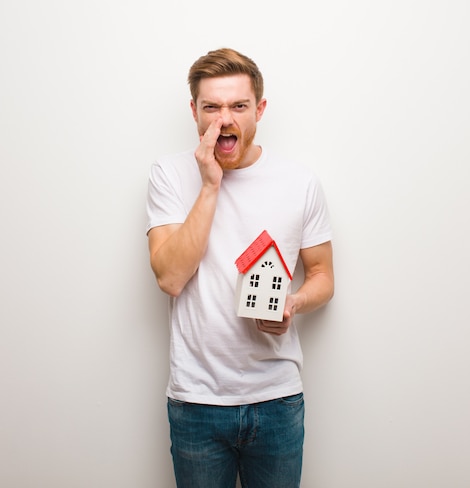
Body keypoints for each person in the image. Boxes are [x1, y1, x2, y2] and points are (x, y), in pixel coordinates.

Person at [145, 47, 334, 488]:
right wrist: (211, 184)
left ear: (260, 109)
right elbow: (170, 278)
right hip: (196, 401)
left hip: (277, 399)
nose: (224, 119)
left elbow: (323, 275)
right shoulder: (169, 175)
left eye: (238, 106)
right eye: (211, 107)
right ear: (193, 110)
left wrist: (295, 302)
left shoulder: (300, 182)